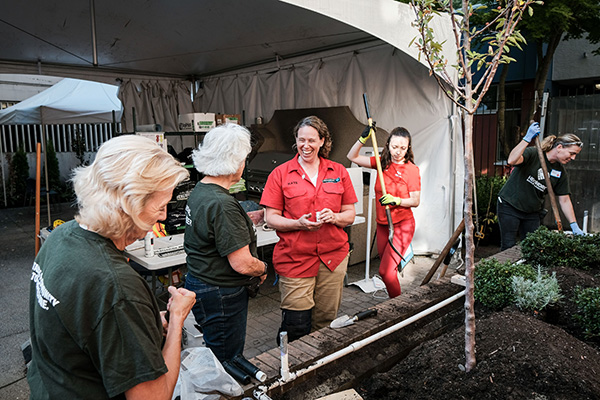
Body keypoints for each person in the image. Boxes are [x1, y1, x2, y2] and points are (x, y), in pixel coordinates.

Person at [28, 135, 197, 400]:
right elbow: (154, 397)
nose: (164, 216)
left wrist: (146, 326)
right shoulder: (117, 288)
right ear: (130, 205)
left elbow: (86, 324)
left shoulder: (62, 236)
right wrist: (176, 320)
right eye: (161, 206)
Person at [260, 115, 357, 343]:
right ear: (296, 140)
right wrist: (297, 223)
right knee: (296, 324)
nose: (306, 146)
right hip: (295, 258)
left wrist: (334, 217)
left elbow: (350, 215)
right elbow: (271, 218)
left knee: (325, 321)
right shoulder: (281, 174)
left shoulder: (339, 171)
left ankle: (318, 364)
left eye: (312, 140)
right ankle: (290, 368)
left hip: (333, 258)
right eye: (301, 140)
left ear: (322, 141)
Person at [184, 123, 268, 363]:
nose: (244, 163)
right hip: (220, 291)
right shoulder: (222, 203)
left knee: (213, 349)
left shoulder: (201, 190)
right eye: (243, 158)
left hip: (200, 281)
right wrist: (263, 269)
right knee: (225, 359)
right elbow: (241, 264)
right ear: (235, 162)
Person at [347, 124, 421, 298]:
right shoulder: (381, 163)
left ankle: (397, 306)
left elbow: (416, 200)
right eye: (394, 147)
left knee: (386, 272)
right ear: (387, 145)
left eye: (403, 148)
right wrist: (362, 138)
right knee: (388, 270)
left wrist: (397, 200)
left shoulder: (411, 170)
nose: (398, 152)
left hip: (402, 225)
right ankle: (393, 302)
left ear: (408, 147)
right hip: (382, 224)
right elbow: (352, 156)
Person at [497, 122, 584, 250]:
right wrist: (526, 139)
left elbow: (564, 200)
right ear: (559, 147)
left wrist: (574, 225)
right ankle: (505, 269)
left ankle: (527, 270)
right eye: (571, 153)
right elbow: (512, 160)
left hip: (532, 212)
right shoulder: (534, 154)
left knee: (532, 247)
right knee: (508, 245)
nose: (573, 158)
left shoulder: (560, 172)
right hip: (510, 205)